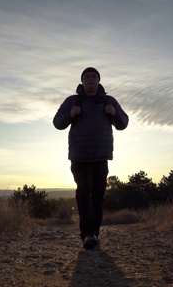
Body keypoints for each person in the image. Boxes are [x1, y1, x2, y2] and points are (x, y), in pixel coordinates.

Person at [53, 67, 129, 249]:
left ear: (98, 81)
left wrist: (114, 113)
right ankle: (87, 233)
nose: (91, 79)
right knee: (84, 192)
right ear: (82, 81)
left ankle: (94, 233)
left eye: (94, 76)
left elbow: (123, 123)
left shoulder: (108, 101)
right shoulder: (73, 101)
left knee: (98, 196)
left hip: (101, 156)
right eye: (87, 76)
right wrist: (70, 114)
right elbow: (57, 122)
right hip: (79, 156)